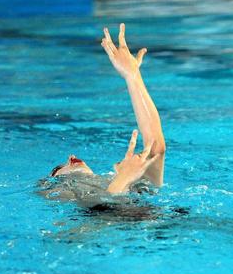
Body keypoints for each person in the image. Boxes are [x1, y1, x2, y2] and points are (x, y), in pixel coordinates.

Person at [46, 24, 166, 195]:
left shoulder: (123, 177)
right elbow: (102, 211)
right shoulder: (67, 197)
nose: (71, 157)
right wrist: (124, 179)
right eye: (59, 167)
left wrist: (132, 76)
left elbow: (156, 149)